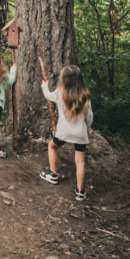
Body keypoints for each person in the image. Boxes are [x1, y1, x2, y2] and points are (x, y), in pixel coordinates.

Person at [39, 65, 93, 201]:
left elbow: (47, 95)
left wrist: (45, 85)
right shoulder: (85, 96)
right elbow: (89, 116)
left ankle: (53, 174)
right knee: (80, 161)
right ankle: (80, 191)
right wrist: (86, 128)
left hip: (63, 133)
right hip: (80, 134)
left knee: (52, 146)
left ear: (64, 79)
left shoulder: (59, 93)